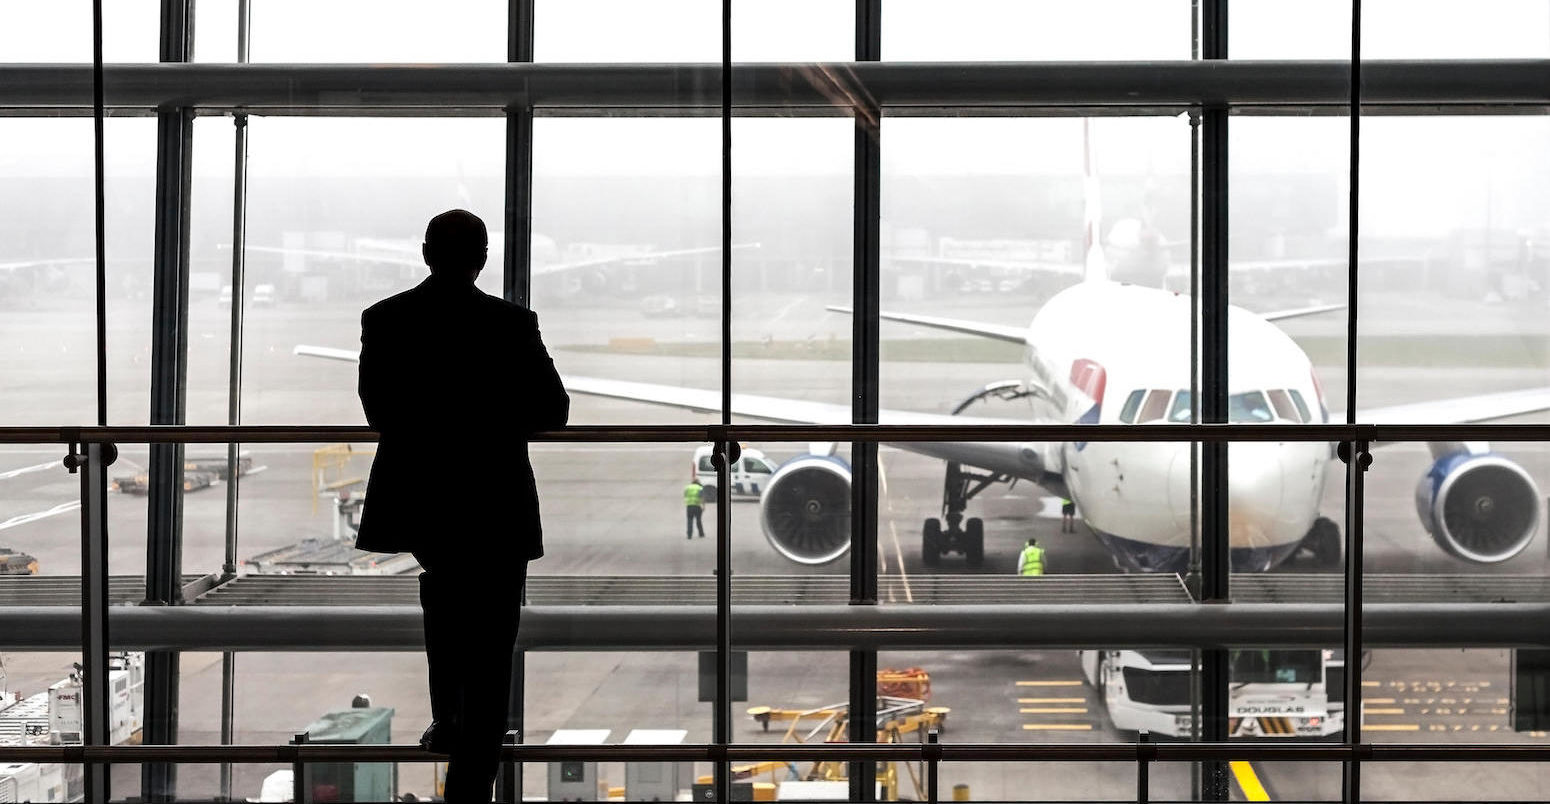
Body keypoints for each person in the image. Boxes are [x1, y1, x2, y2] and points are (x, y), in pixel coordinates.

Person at [356, 209, 569, 803]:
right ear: (482, 259)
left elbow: (380, 412)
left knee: (445, 604)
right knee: (494, 635)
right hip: (495, 499)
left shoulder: (385, 319)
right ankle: (471, 768)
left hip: (424, 500)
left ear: (426, 252)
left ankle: (449, 721)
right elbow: (553, 410)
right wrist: (492, 421)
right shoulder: (512, 323)